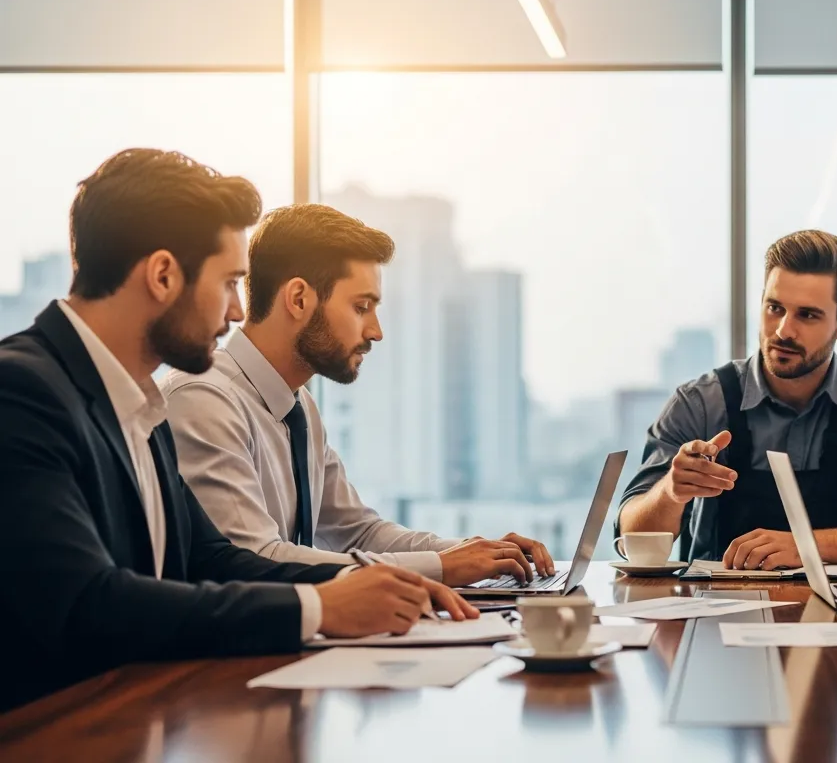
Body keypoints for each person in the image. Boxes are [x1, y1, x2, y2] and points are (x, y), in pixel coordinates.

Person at [0, 149, 474, 712]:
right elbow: (87, 601)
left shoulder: (136, 403)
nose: (234, 313)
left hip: (135, 718)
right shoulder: (22, 392)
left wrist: (358, 590)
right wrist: (320, 610)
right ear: (163, 275)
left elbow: (216, 560)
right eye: (229, 284)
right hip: (52, 733)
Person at [161, 204, 554, 587]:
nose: (376, 331)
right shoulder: (204, 399)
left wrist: (477, 554)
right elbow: (256, 559)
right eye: (361, 307)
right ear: (299, 299)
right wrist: (440, 566)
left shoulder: (298, 408)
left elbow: (357, 533)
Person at [617, 229, 837, 568]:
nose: (784, 330)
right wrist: (671, 491)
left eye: (808, 315)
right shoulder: (699, 401)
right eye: (774, 308)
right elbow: (630, 536)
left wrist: (806, 546)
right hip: (715, 609)